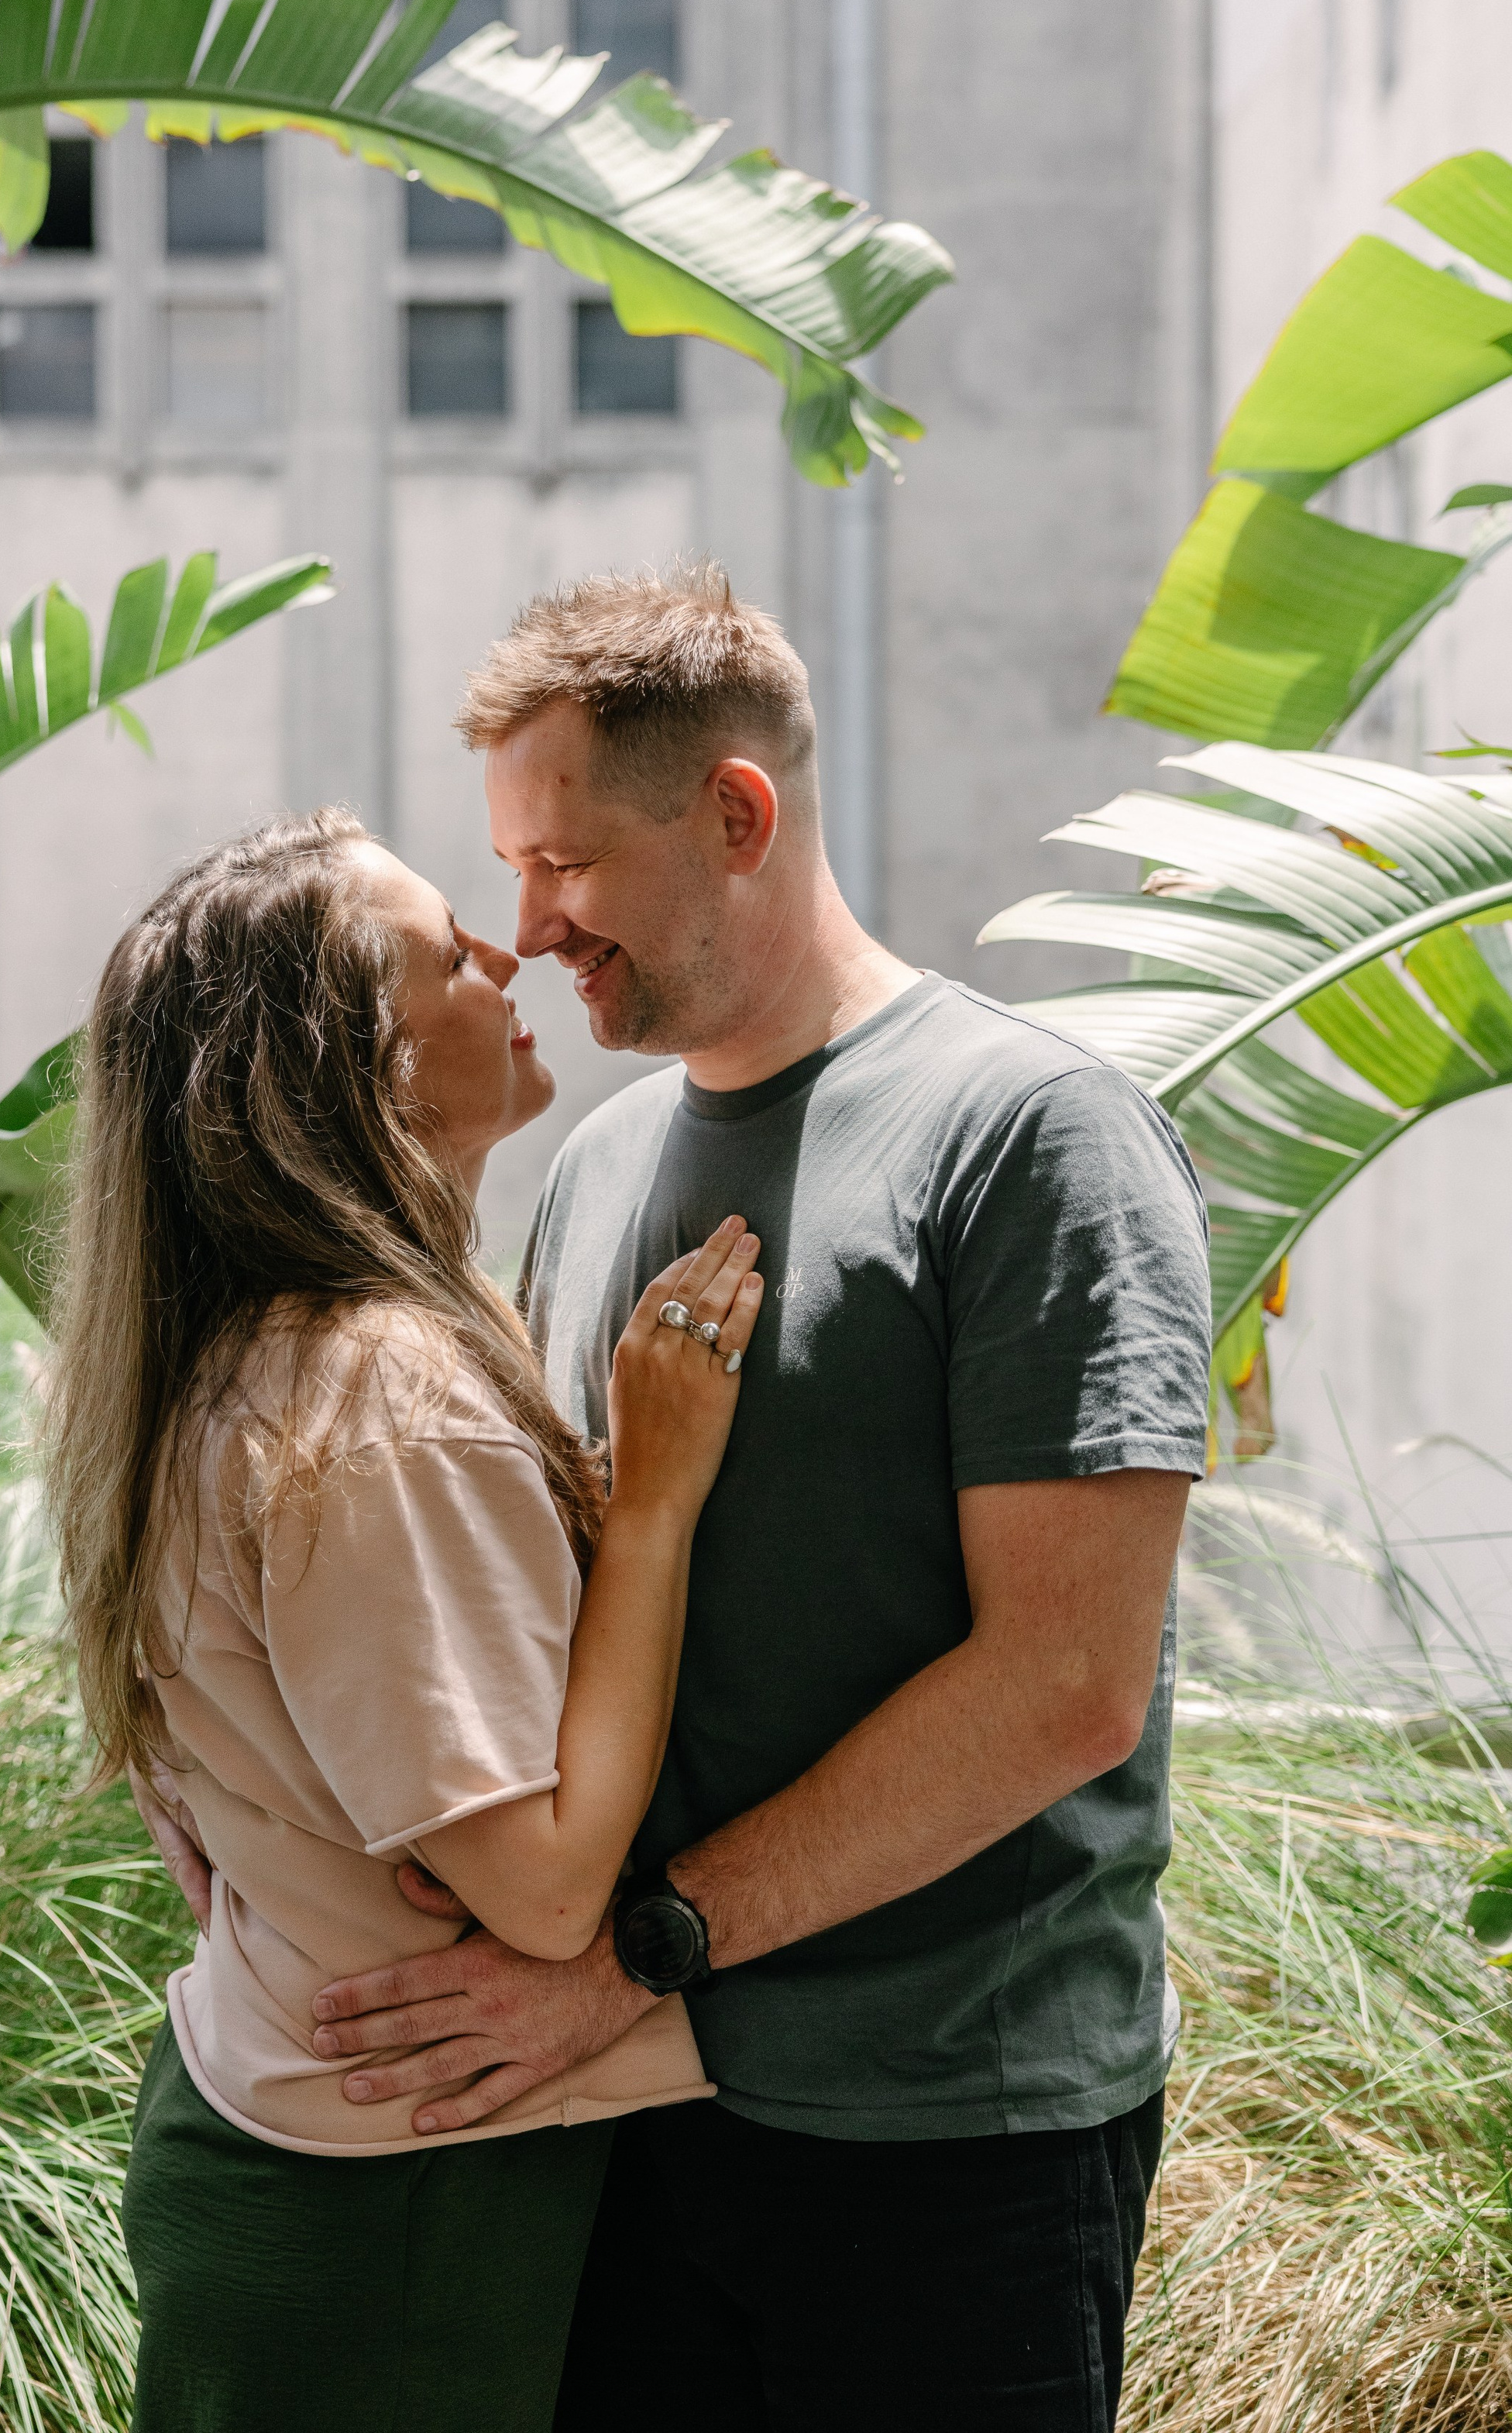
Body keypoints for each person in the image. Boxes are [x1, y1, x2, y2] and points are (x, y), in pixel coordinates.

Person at [304, 563, 1214, 2431]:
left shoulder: (1031, 1137)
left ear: (734, 814)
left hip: (949, 2135)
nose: (529, 920)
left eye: (565, 861)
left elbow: (1064, 1684)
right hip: (630, 2110)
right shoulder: (602, 1158)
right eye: (509, 861)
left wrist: (644, 1950)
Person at [38, 807, 765, 2433]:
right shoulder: (376, 1404)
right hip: (390, 2201)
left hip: (315, 2139)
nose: (504, 952)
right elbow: (547, 1879)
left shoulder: (249, 1356)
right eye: (450, 948)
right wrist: (647, 1496)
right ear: (357, 1068)